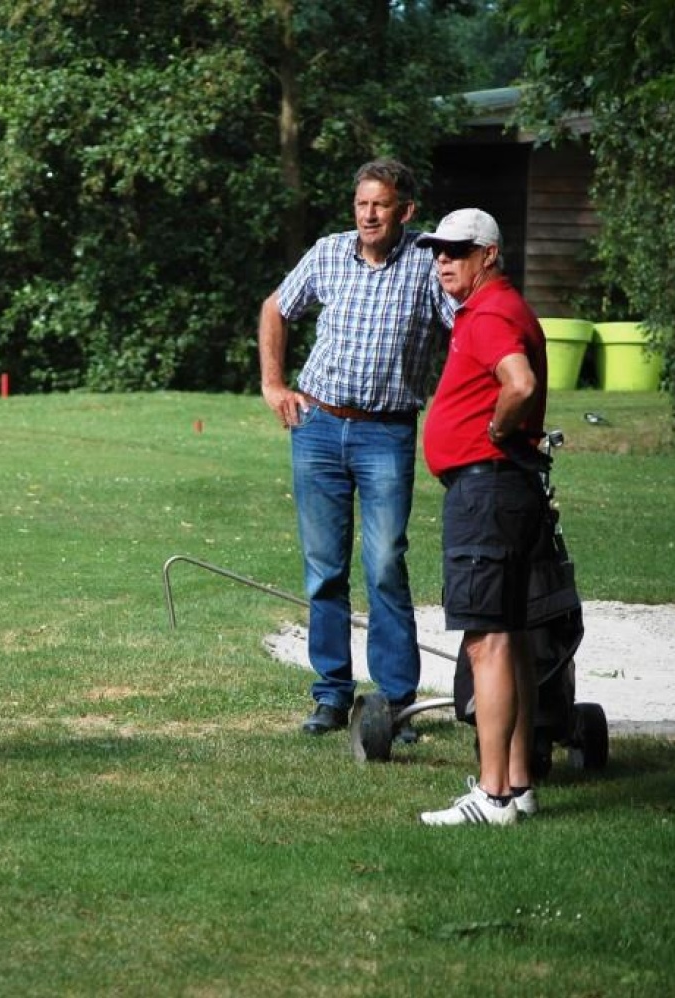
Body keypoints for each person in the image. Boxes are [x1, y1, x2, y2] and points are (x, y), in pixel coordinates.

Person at [258, 158, 456, 737]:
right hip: (317, 426)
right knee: (324, 570)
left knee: (386, 565)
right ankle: (331, 695)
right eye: (362, 204)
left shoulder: (426, 262)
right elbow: (276, 307)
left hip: (386, 432)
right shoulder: (328, 252)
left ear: (405, 210)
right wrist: (273, 384)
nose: (369, 215)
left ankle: (394, 704)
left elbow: (466, 326)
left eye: (380, 205)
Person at [417, 208, 548, 825]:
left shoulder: (490, 312)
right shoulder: (500, 307)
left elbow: (518, 384)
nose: (443, 260)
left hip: (487, 491)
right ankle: (518, 785)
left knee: (486, 642)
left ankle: (493, 796)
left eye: (457, 250)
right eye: (437, 251)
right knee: (511, 637)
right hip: (504, 489)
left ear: (488, 254)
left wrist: (495, 431)